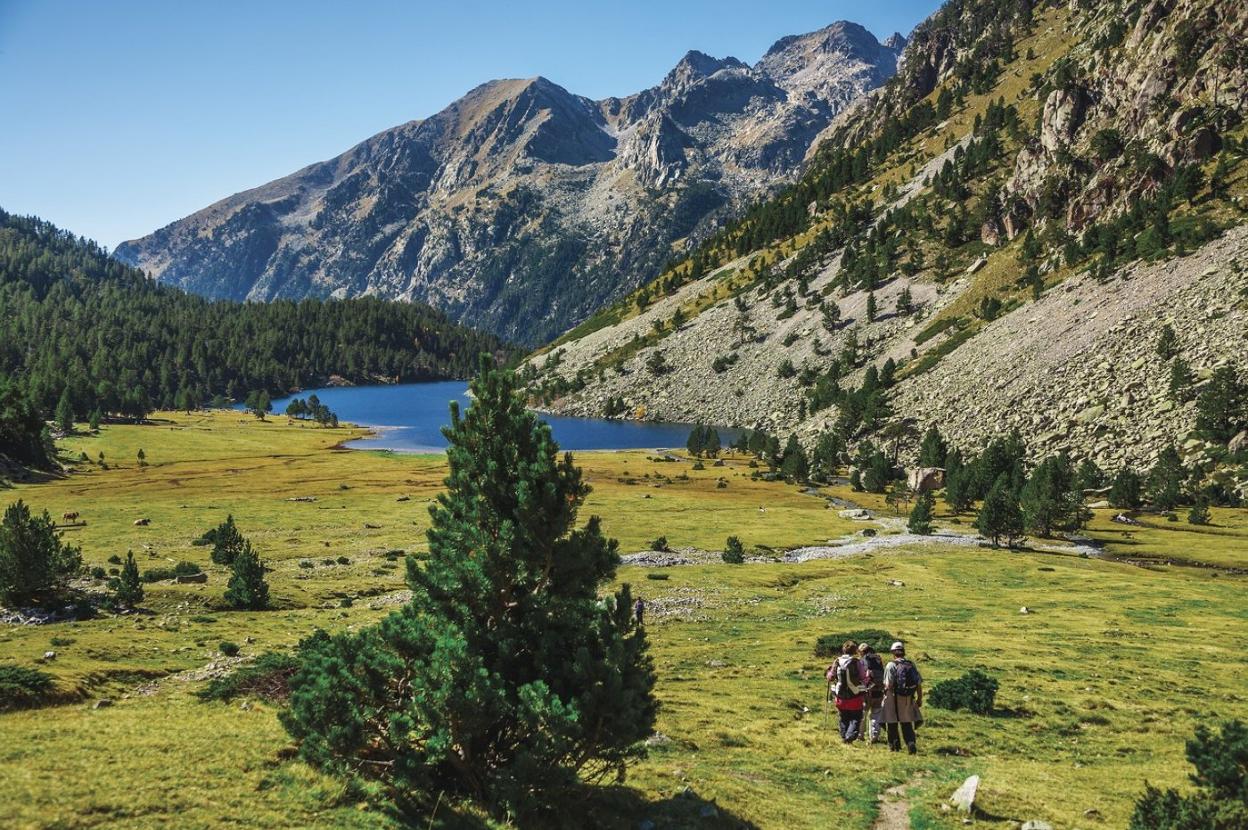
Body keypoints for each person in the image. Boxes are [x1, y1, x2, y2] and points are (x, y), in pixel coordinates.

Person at [881, 641, 922, 754]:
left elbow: (888, 685)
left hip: (892, 697)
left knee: (892, 723)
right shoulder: (911, 665)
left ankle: (894, 747)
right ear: (903, 652)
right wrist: (919, 698)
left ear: (893, 653)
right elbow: (918, 683)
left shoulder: (890, 665)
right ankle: (910, 743)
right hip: (908, 698)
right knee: (906, 723)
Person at [830, 640, 868, 743]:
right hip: (855, 695)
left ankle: (844, 736)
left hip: (840, 696)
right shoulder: (856, 662)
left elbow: (830, 676)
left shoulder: (837, 661)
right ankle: (849, 736)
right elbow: (864, 677)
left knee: (843, 717)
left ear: (843, 649)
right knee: (856, 717)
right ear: (855, 650)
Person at [858, 642, 886, 744]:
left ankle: (860, 735)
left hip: (866, 691)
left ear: (861, 651)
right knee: (876, 713)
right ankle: (874, 736)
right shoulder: (878, 659)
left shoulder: (862, 661)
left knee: (862, 713)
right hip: (879, 690)